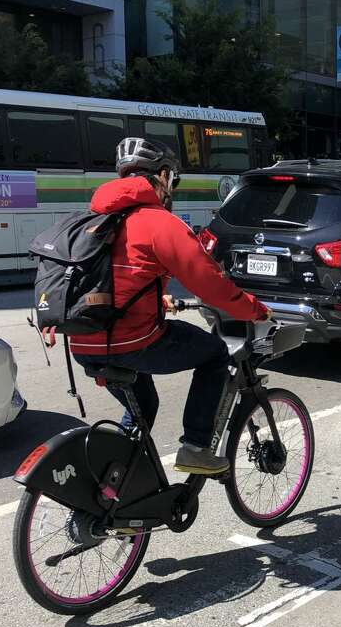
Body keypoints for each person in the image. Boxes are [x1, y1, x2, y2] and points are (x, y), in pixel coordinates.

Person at [71, 137, 268, 476]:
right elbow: (209, 283)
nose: (171, 189)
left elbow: (105, 279)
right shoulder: (158, 221)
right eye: (173, 179)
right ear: (162, 176)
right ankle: (195, 447)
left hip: (83, 341)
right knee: (215, 354)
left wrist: (154, 298)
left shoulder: (92, 220)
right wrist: (255, 309)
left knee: (143, 406)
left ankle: (114, 485)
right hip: (129, 341)